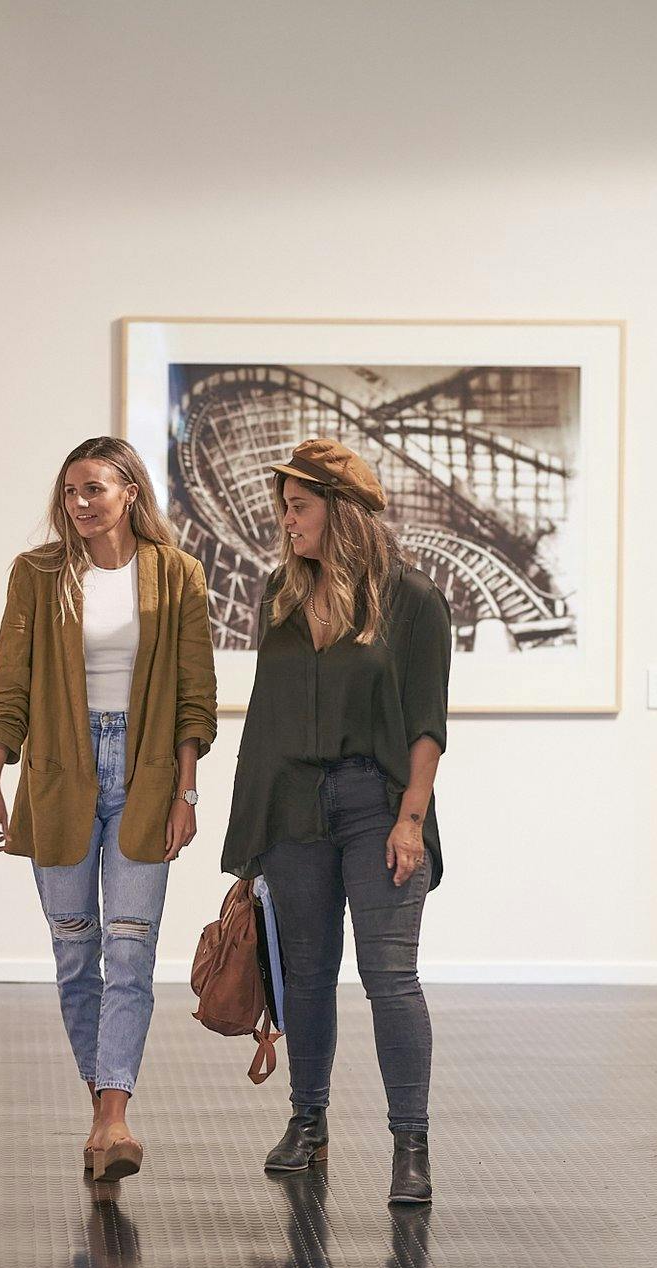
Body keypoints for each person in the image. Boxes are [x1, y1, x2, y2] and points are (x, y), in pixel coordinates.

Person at [222, 438, 453, 1203]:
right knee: (308, 977)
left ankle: (410, 1146)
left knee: (391, 980)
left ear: (342, 513)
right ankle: (308, 1125)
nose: (287, 523)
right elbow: (265, 717)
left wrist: (410, 821)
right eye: (283, 508)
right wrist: (250, 831)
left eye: (299, 508)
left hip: (378, 806)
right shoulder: (278, 598)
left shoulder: (415, 602)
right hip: (291, 808)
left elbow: (426, 725)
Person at [0, 436, 218, 1181]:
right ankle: (101, 1114)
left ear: (131, 493)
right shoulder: (38, 573)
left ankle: (116, 1117)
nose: (81, 504)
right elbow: (9, 681)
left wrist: (185, 791)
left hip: (145, 777)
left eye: (96, 489)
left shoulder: (176, 574)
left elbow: (193, 695)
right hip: (58, 772)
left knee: (132, 947)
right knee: (76, 948)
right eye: (72, 491)